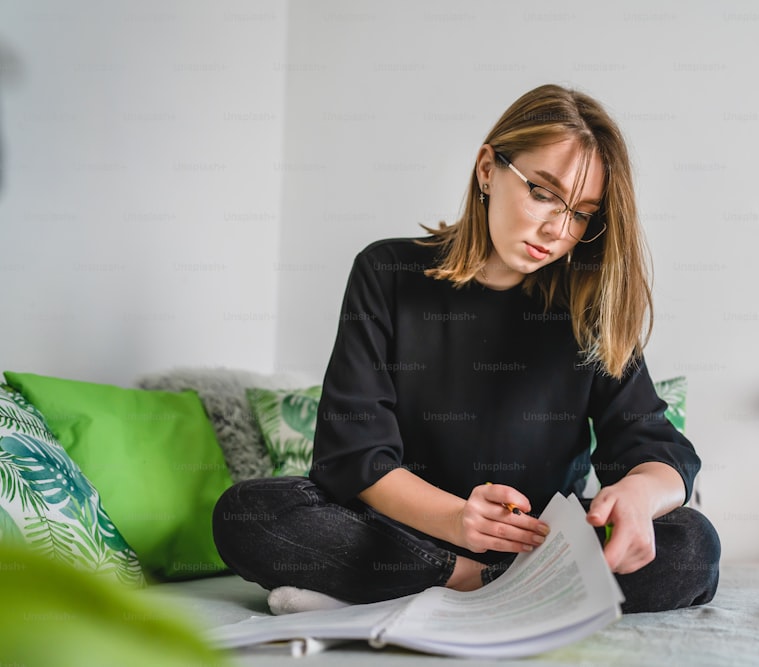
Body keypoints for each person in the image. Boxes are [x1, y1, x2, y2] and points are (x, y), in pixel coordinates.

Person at [213, 84, 720, 614]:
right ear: (487, 169)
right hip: (402, 536)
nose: (557, 229)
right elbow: (353, 456)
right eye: (543, 193)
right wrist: (459, 521)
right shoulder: (385, 272)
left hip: (530, 547)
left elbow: (658, 449)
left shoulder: (588, 304)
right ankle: (475, 586)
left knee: (692, 544)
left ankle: (420, 592)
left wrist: (640, 495)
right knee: (247, 511)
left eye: (581, 214)